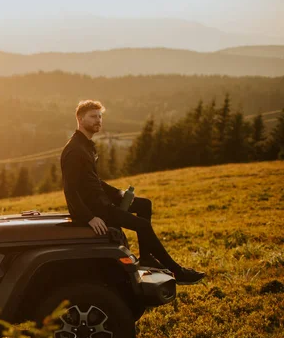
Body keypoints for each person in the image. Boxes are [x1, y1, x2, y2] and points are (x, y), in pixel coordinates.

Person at [60, 100, 205, 285]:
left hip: (101, 202)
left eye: (100, 116)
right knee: (143, 226)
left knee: (145, 205)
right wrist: (89, 217)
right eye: (93, 117)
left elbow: (93, 182)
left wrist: (119, 193)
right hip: (95, 210)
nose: (98, 120)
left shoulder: (86, 145)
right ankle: (178, 272)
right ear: (80, 119)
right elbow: (70, 190)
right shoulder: (74, 150)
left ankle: (146, 257)